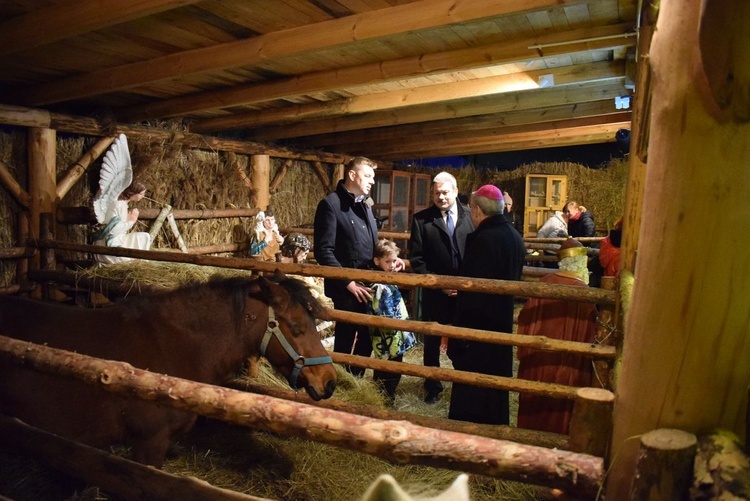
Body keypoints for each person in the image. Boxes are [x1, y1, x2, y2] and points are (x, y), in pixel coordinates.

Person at [314, 156, 404, 377]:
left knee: (367, 335)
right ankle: (340, 380)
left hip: (370, 284)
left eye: (373, 177)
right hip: (346, 289)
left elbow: (373, 246)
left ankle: (357, 378)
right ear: (352, 175)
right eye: (368, 176)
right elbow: (323, 251)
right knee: (346, 335)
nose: (372, 181)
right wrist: (348, 282)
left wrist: (390, 259)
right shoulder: (331, 205)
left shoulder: (365, 205)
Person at [447, 185, 525, 425]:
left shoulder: (482, 239)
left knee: (474, 388)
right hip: (500, 321)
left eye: (471, 208)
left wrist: (459, 333)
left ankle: (470, 430)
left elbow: (474, 291)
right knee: (495, 384)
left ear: (478, 211)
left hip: (478, 326)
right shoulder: (514, 236)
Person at [516, 237, 598, 434]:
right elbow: (590, 336)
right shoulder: (585, 294)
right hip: (568, 367)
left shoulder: (543, 284)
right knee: (559, 414)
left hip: (537, 363)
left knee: (534, 413)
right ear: (581, 264)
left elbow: (524, 321)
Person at [409, 171, 474, 404]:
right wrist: (438, 284)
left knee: (464, 337)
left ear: (456, 192)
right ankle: (432, 386)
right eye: (437, 193)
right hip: (435, 292)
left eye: (445, 192)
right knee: (432, 342)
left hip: (466, 294)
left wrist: (466, 285)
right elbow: (417, 259)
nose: (441, 197)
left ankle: (463, 384)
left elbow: (477, 254)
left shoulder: (471, 216)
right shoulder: (421, 220)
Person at [366, 239, 417, 406]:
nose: (392, 265)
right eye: (387, 261)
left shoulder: (388, 279)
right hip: (388, 336)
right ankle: (386, 400)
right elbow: (385, 313)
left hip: (394, 334)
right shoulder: (380, 285)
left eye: (394, 261)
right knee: (389, 369)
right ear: (376, 261)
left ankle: (386, 397)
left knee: (391, 366)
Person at [93, 178, 152, 264]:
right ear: (133, 192)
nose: (143, 196)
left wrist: (128, 220)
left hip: (120, 239)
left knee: (144, 236)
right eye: (141, 194)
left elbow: (120, 225)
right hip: (109, 244)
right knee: (124, 260)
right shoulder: (118, 205)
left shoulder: (124, 205)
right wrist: (131, 222)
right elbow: (112, 230)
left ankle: (142, 263)